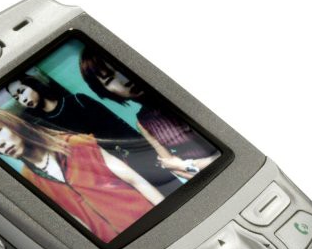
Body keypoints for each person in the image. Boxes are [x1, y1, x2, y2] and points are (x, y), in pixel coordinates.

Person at [0, 107, 164, 243]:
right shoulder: (28, 180)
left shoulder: (75, 144)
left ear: (13, 124)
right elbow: (75, 226)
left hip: (150, 223)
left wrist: (166, 218)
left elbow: (135, 179)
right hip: (117, 248)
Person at [6, 74, 182, 196]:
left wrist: (148, 151)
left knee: (175, 193)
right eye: (16, 97)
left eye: (21, 91)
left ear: (33, 84)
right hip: (108, 173)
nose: (22, 99)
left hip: (134, 156)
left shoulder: (78, 100)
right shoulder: (43, 127)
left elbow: (118, 124)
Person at [79, 46, 220, 179]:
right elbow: (176, 171)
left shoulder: (178, 92)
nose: (124, 81)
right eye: (110, 79)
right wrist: (184, 167)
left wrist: (185, 165)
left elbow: (227, 149)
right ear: (105, 92)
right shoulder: (143, 122)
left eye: (120, 67)